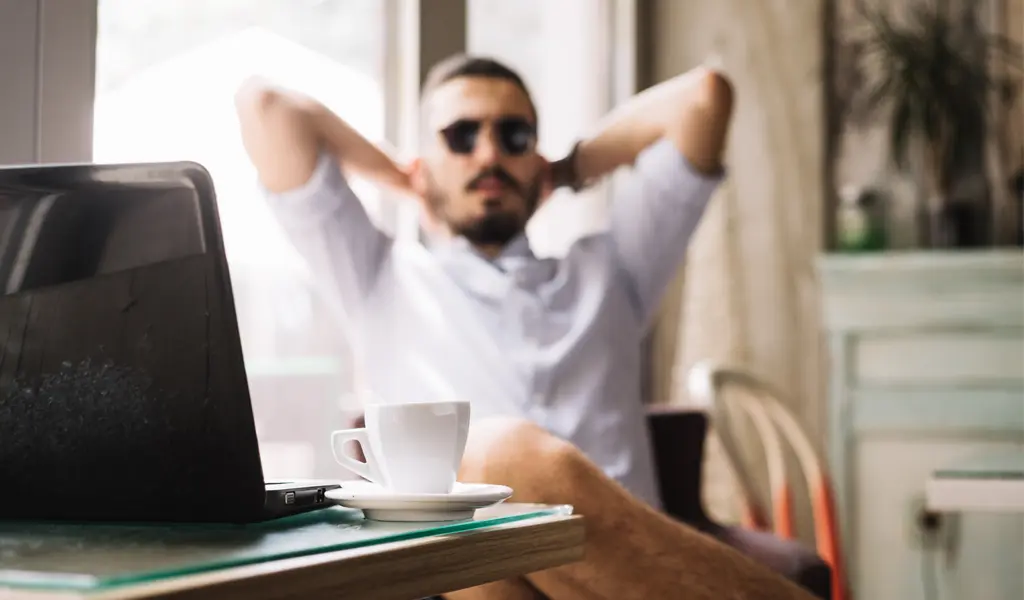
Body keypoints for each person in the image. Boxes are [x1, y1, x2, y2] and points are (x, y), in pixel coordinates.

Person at [235, 55, 815, 600]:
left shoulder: (612, 272)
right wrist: (406, 177)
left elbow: (703, 99)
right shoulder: (379, 276)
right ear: (426, 159)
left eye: (513, 137)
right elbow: (268, 109)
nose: (488, 154)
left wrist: (567, 169)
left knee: (496, 456)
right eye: (461, 137)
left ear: (536, 159)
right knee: (483, 501)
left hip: (619, 575)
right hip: (473, 577)